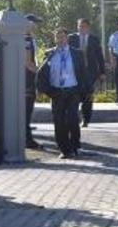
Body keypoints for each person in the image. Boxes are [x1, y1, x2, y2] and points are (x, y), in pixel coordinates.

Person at [37, 27, 88, 159]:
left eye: (62, 37)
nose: (60, 40)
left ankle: (75, 146)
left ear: (67, 38)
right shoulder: (50, 54)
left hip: (72, 90)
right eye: (57, 37)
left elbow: (83, 73)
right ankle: (64, 150)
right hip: (56, 91)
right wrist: (45, 89)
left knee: (72, 119)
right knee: (59, 121)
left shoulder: (77, 53)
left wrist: (84, 91)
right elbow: (42, 72)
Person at [69, 18, 105, 128]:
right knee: (75, 95)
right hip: (75, 72)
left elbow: (99, 56)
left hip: (90, 72)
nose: (81, 28)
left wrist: (102, 72)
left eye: (83, 26)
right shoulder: (71, 38)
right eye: (79, 26)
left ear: (88, 27)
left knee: (88, 95)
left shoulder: (94, 39)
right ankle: (74, 117)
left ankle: (86, 119)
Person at [25, 14, 42, 149]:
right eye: (35, 23)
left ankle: (27, 137)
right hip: (27, 79)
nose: (36, 25)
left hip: (26, 78)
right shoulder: (26, 39)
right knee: (26, 110)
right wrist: (41, 72)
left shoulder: (29, 38)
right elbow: (28, 63)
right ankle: (27, 139)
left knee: (27, 110)